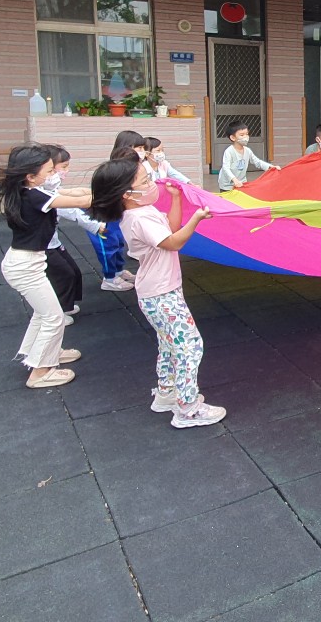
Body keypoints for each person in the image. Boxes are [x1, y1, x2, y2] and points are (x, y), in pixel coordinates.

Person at [90, 157, 226, 428]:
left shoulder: (143, 211)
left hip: (158, 291)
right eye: (145, 181)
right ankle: (188, 409)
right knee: (190, 346)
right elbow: (173, 242)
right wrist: (197, 218)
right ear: (127, 194)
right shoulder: (139, 218)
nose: (153, 184)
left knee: (169, 344)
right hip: (161, 294)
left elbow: (170, 229)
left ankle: (166, 393)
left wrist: (175, 198)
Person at [0, 143, 93, 388]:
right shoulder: (35, 196)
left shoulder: (29, 191)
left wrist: (97, 190)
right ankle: (40, 373)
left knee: (44, 313)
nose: (54, 175)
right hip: (25, 266)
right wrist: (117, 191)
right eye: (49, 171)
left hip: (27, 262)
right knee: (53, 317)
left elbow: (76, 192)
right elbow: (83, 200)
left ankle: (43, 353)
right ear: (30, 176)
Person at [41, 144, 102, 323]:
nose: (65, 172)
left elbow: (77, 195)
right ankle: (56, 314)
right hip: (42, 247)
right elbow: (74, 207)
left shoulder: (49, 191)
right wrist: (96, 224)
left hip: (53, 243)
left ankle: (65, 306)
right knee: (63, 275)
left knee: (72, 271)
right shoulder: (40, 196)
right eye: (62, 167)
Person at [85, 134, 144, 292]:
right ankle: (109, 278)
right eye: (138, 147)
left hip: (115, 216)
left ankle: (118, 271)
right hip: (102, 219)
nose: (142, 151)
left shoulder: (129, 170)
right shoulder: (114, 173)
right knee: (108, 247)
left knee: (118, 243)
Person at [219, 120, 279, 191]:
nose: (246, 137)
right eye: (242, 135)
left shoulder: (247, 151)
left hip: (242, 184)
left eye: (247, 134)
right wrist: (234, 180)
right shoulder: (229, 151)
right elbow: (226, 168)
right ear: (233, 138)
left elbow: (257, 162)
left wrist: (271, 167)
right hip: (227, 186)